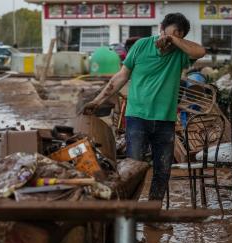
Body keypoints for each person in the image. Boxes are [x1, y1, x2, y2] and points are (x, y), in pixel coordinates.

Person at [83, 13, 205, 202]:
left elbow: (200, 52)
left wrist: (173, 39)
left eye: (178, 36)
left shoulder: (180, 53)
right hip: (137, 118)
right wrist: (97, 101)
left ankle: (153, 215)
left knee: (162, 171)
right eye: (170, 33)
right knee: (133, 170)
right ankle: (128, 215)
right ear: (160, 28)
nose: (171, 40)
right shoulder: (141, 46)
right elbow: (121, 76)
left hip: (165, 120)